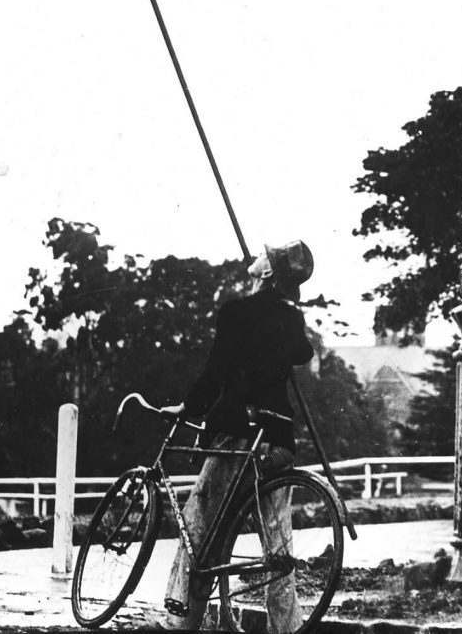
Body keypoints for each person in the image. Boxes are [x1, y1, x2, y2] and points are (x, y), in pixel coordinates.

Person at [161, 240, 315, 632]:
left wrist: (189, 409)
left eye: (266, 257)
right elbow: (303, 352)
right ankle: (288, 627)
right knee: (278, 546)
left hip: (237, 436)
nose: (257, 257)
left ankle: (180, 620)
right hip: (278, 439)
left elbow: (216, 372)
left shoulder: (235, 312)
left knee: (199, 525)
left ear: (266, 273)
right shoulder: (290, 318)